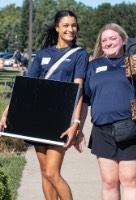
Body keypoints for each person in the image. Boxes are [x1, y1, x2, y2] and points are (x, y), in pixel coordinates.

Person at [75, 23, 136, 200]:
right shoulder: (93, 66)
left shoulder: (134, 63)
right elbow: (85, 101)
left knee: (130, 181)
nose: (108, 43)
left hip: (132, 129)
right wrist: (79, 129)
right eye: (104, 40)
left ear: (123, 40)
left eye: (113, 38)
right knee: (109, 182)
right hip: (102, 133)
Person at [0, 10, 88, 200]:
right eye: (65, 25)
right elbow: (26, 86)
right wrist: (7, 112)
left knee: (52, 172)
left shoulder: (80, 55)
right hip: (38, 118)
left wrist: (76, 124)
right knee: (44, 171)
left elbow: (78, 91)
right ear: (57, 28)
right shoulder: (43, 54)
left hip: (61, 119)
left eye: (73, 25)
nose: (70, 29)